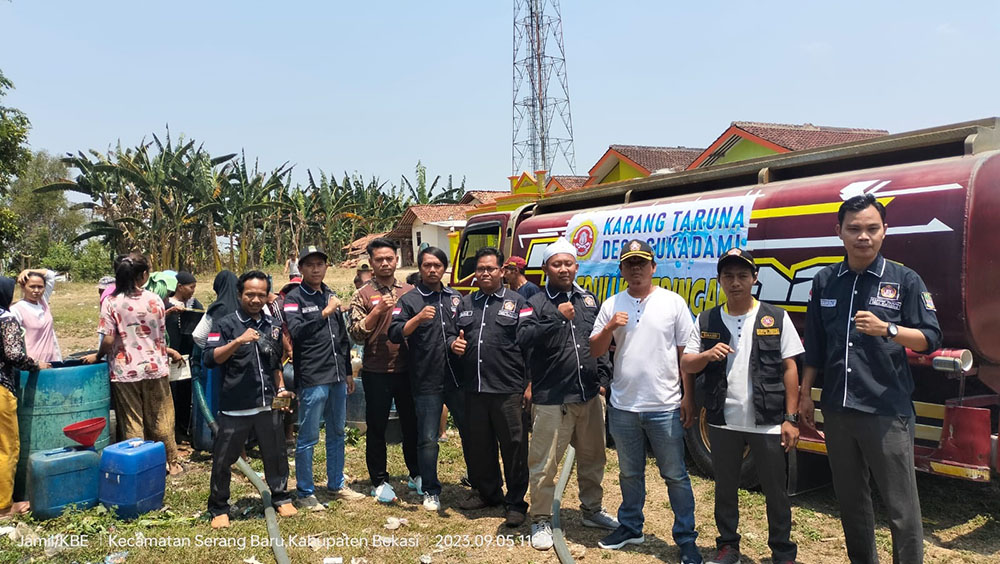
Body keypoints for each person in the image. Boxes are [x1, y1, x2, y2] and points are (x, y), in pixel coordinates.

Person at [800, 193, 942, 564]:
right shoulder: (826, 280)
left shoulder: (905, 279)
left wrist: (889, 329)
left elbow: (931, 338)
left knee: (900, 506)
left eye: (871, 229)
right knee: (850, 501)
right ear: (839, 232)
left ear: (884, 231)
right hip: (838, 407)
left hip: (886, 411)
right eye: (854, 229)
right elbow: (814, 344)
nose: (863, 236)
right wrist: (804, 394)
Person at [681, 249, 802, 564]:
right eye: (729, 276)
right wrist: (707, 356)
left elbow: (790, 367)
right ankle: (728, 547)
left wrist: (790, 418)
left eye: (742, 276)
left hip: (769, 421)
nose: (735, 282)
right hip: (723, 421)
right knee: (725, 490)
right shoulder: (707, 318)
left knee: (776, 493)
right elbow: (687, 362)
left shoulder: (775, 317)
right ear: (720, 279)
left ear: (754, 278)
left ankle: (782, 552)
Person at [590, 239, 701, 562]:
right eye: (630, 264)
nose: (636, 269)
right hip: (623, 405)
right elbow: (596, 351)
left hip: (664, 406)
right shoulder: (612, 305)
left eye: (642, 263)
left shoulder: (673, 303)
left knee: (675, 475)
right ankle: (630, 526)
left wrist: (688, 397)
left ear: (653, 267)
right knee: (629, 473)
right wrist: (610, 326)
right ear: (621, 270)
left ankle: (685, 538)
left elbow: (686, 354)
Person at [517, 238, 618, 550]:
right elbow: (522, 338)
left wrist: (603, 378)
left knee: (593, 458)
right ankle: (541, 519)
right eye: (556, 263)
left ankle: (591, 509)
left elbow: (599, 340)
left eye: (568, 263)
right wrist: (557, 317)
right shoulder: (534, 302)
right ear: (546, 268)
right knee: (545, 464)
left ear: (577, 266)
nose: (563, 268)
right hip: (552, 399)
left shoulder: (589, 301)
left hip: (588, 395)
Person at [203, 270, 298, 528]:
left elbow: (275, 364)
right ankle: (219, 507)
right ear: (239, 294)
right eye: (249, 294)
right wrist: (238, 341)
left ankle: (280, 497)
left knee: (275, 453)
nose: (255, 300)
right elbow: (210, 359)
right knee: (224, 459)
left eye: (260, 294)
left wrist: (280, 390)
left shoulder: (273, 327)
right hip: (236, 405)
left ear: (267, 295)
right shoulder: (225, 324)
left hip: (268, 404)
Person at [446, 247, 530, 526]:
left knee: (514, 448)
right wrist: (452, 344)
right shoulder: (465, 304)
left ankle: (516, 502)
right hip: (474, 389)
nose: (484, 273)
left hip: (507, 389)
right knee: (480, 446)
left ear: (501, 271)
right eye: (480, 268)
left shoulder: (517, 302)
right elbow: (450, 333)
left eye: (490, 268)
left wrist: (528, 385)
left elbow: (530, 345)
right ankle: (489, 493)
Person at [283, 246, 366, 511]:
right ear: (302, 269)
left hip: (337, 376)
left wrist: (347, 373)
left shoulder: (330, 294)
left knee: (338, 432)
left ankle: (336, 484)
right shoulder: (294, 298)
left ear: (325, 267)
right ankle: (305, 491)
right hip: (313, 376)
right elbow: (296, 331)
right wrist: (325, 312)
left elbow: (340, 338)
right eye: (310, 265)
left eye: (320, 264)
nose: (316, 269)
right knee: (308, 436)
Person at [388, 246, 469, 511]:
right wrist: (419, 318)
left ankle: (478, 482)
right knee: (427, 438)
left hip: (458, 378)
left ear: (444, 268)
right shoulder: (410, 300)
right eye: (427, 265)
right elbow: (396, 332)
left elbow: (466, 331)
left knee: (471, 433)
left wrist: (459, 344)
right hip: (426, 380)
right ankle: (431, 489)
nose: (432, 270)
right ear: (420, 268)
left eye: (437, 265)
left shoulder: (455, 297)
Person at [96, 252, 185, 476]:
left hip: (125, 369)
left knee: (132, 418)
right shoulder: (155, 299)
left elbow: (107, 339)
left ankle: (141, 467)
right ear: (144, 275)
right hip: (156, 365)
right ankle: (171, 462)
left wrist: (97, 356)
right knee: (161, 415)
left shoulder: (111, 302)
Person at [347, 237, 420, 499]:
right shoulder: (362, 294)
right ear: (372, 262)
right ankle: (378, 480)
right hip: (377, 370)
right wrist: (376, 313)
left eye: (390, 258)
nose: (385, 263)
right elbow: (355, 334)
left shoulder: (410, 291)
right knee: (376, 427)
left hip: (407, 369)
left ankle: (416, 474)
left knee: (412, 425)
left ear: (397, 260)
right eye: (380, 259)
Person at [0, 277, 46, 519]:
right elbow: (14, 354)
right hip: (1, 389)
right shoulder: (5, 318)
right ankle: (4, 507)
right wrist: (34, 364)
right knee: (7, 448)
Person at [164, 271, 204, 439]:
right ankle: (173, 433)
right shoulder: (166, 305)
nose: (193, 290)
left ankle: (184, 429)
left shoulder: (195, 303)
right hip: (171, 354)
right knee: (171, 393)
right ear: (179, 287)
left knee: (186, 392)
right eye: (190, 287)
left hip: (189, 354)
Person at [11, 269, 62, 364]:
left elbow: (50, 275)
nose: (36, 290)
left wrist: (27, 270)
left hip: (52, 359)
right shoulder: (16, 310)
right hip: (33, 364)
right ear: (23, 287)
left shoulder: (43, 302)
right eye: (32, 287)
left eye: (40, 287)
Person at [192, 271, 240, 349]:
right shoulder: (247, 307)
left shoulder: (217, 308)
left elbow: (198, 336)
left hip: (220, 356)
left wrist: (211, 350)